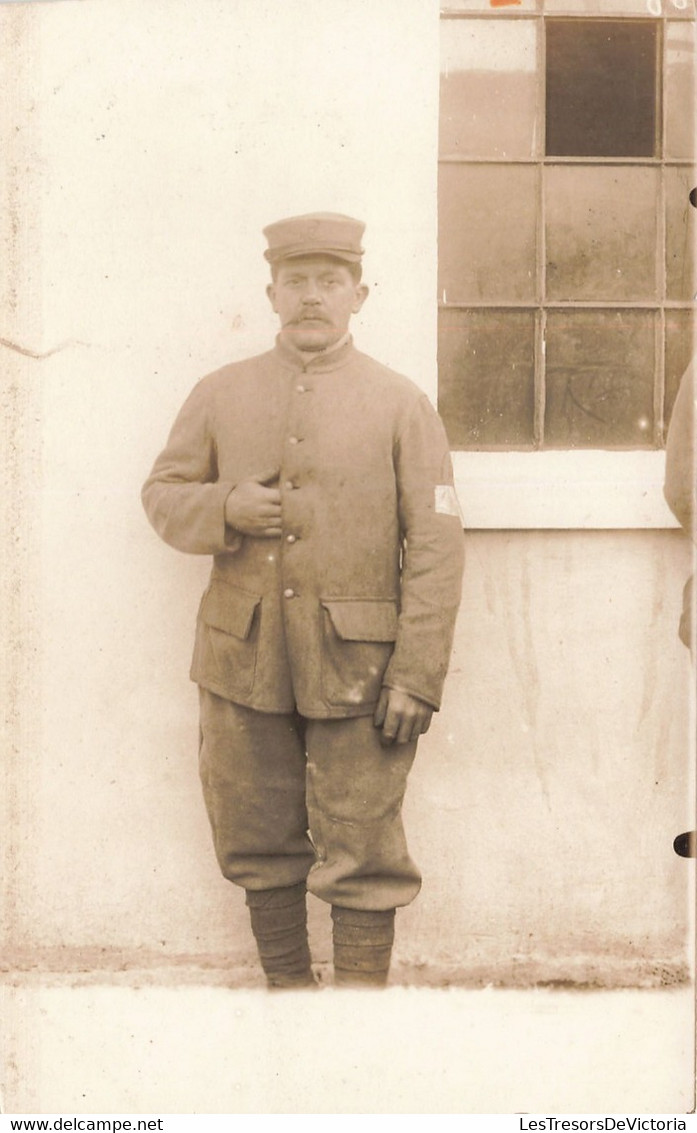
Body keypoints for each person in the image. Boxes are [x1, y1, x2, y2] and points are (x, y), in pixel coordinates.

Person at [142, 212, 465, 989]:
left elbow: (437, 541)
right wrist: (225, 507)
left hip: (362, 670)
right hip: (241, 662)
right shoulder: (219, 393)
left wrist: (416, 673)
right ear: (271, 293)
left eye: (328, 282)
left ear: (359, 292)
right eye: (296, 282)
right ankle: (288, 1006)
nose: (311, 297)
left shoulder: (400, 402)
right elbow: (160, 494)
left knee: (364, 848)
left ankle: (354, 1025)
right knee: (257, 840)